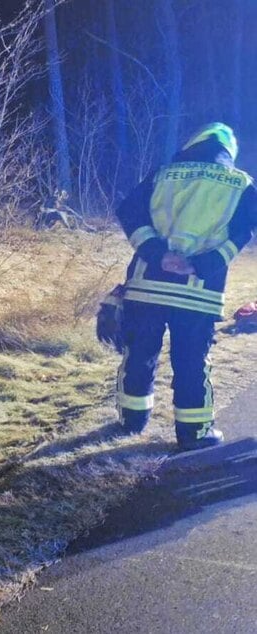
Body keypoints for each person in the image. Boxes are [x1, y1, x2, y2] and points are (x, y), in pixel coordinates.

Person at [115, 122, 257, 451]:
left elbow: (129, 212)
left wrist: (157, 254)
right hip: (198, 292)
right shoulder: (241, 184)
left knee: (139, 353)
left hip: (146, 285)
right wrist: (201, 264)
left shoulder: (163, 173)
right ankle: (194, 433)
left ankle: (132, 420)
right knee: (192, 360)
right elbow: (242, 233)